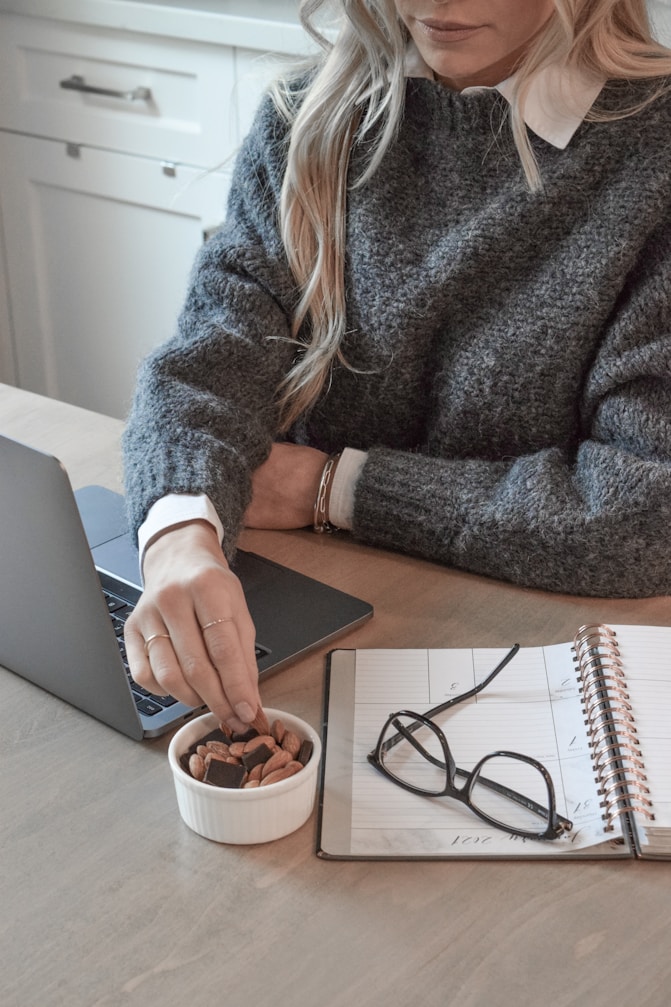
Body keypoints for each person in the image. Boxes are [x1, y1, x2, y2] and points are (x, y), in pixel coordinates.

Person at [122, 0, 671, 733]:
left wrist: (337, 487)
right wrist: (178, 537)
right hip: (317, 621)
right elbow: (212, 357)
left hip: (539, 666)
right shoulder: (306, 115)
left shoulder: (653, 152)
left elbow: (644, 513)